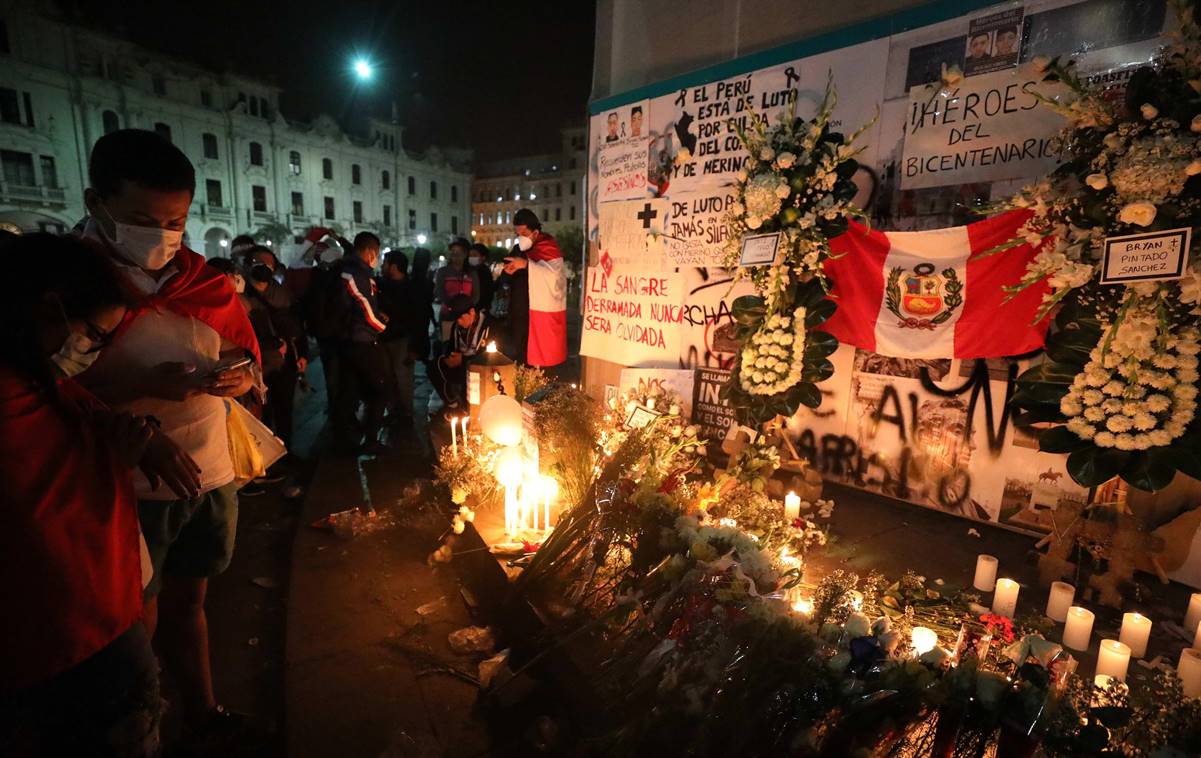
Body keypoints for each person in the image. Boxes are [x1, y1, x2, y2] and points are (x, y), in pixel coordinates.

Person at [74, 129, 262, 748]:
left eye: (175, 220)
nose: (160, 236)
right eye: (140, 219)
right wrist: (136, 389)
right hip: (124, 483)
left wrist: (241, 376)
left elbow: (242, 351)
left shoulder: (201, 280)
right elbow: (45, 394)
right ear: (96, 202)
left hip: (207, 471)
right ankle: (142, 731)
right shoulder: (71, 286)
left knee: (191, 602)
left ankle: (203, 714)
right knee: (136, 621)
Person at [1, 233, 201, 757]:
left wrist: (138, 436)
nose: (91, 354)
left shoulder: (45, 379)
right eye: (92, 335)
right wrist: (118, 456)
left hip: (102, 619)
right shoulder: (16, 394)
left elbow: (89, 418)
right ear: (50, 309)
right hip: (58, 640)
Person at [242, 245, 308, 450]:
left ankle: (285, 452)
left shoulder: (283, 294)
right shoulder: (241, 296)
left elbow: (297, 326)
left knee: (284, 410)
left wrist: (302, 353)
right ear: (247, 266)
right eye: (258, 263)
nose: (264, 268)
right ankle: (265, 459)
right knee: (262, 414)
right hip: (257, 366)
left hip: (284, 364)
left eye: (268, 264)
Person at [333, 231, 392, 454]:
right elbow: (366, 309)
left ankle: (346, 438)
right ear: (369, 252)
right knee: (380, 389)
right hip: (361, 341)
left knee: (349, 389)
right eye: (376, 253)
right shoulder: (354, 274)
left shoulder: (349, 270)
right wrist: (383, 327)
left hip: (350, 339)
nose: (376, 257)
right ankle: (370, 439)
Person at [502, 208, 567, 368]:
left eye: (524, 234)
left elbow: (554, 277)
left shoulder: (548, 247)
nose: (520, 238)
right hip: (519, 312)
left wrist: (525, 264)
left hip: (538, 315)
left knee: (539, 361)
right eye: (517, 234)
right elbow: (506, 276)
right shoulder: (518, 249)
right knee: (521, 357)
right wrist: (508, 272)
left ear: (535, 233)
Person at [431, 294, 490, 412]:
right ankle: (453, 405)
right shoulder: (456, 326)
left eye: (461, 318)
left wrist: (463, 360)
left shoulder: (488, 325)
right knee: (434, 365)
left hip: (479, 369)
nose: (458, 321)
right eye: (456, 319)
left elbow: (489, 357)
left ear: (472, 312)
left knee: (468, 373)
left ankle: (467, 410)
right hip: (460, 366)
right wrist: (450, 358)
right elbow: (451, 348)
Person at [377, 250, 418, 422]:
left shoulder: (410, 288)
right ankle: (394, 410)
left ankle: (406, 412)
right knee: (387, 377)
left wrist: (414, 346)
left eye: (385, 263)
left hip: (402, 338)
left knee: (403, 378)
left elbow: (417, 318)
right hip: (384, 337)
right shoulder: (381, 285)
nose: (382, 266)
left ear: (394, 267)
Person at [433, 237, 479, 342]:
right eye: (453, 252)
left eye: (458, 252)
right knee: (448, 344)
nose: (455, 255)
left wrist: (467, 309)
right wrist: (452, 307)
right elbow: (439, 291)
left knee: (465, 344)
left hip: (466, 317)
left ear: (465, 254)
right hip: (447, 315)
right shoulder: (443, 272)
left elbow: (475, 295)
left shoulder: (472, 273)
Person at [468, 242, 496, 316]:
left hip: (479, 310)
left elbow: (487, 292)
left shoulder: (484, 272)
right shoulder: (468, 270)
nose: (471, 258)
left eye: (474, 255)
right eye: (470, 255)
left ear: (483, 257)